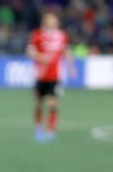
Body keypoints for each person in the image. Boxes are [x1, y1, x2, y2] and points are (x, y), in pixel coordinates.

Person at [25, 11, 75, 143]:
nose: (53, 22)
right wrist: (40, 57)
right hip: (40, 76)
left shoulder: (61, 36)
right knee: (39, 104)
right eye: (50, 20)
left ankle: (51, 130)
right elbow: (29, 51)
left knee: (53, 104)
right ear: (45, 21)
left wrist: (71, 67)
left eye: (55, 20)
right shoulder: (37, 35)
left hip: (55, 77)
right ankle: (38, 129)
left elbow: (66, 51)